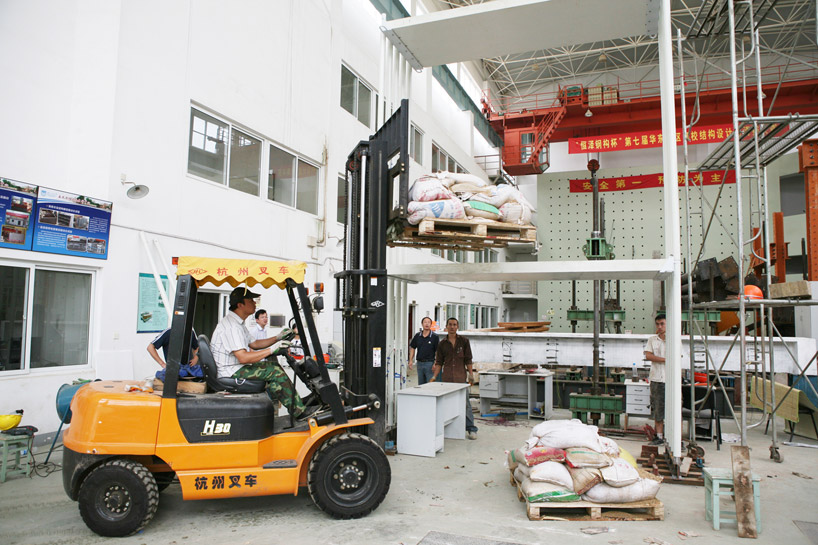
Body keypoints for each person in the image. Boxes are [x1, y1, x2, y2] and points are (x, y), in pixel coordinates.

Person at [211, 286, 313, 419]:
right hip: (230, 370)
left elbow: (255, 344)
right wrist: (272, 349)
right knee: (274, 371)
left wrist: (278, 337)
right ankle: (299, 412)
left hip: (234, 367)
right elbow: (243, 357)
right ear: (240, 305)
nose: (254, 303)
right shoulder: (232, 327)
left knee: (274, 368)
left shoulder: (238, 324)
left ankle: (295, 403)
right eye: (251, 300)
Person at [431, 317, 478, 440]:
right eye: (450, 325)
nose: (452, 327)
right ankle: (447, 428)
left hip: (460, 378)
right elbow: (439, 362)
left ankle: (471, 429)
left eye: (454, 325)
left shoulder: (464, 342)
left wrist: (471, 375)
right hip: (447, 379)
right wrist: (434, 376)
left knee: (466, 404)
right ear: (446, 327)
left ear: (457, 327)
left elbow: (468, 359)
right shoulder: (442, 344)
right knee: (447, 404)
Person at [644, 313, 667, 445]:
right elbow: (648, 356)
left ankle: (676, 438)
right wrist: (665, 359)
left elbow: (677, 356)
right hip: (657, 379)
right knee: (658, 408)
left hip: (671, 380)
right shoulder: (652, 340)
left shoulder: (674, 339)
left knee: (675, 409)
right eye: (657, 324)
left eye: (662, 324)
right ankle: (659, 436)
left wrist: (658, 358)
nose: (659, 326)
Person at [409, 316, 439, 385]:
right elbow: (413, 347)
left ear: (431, 324)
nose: (427, 324)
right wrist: (411, 360)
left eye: (428, 322)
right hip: (419, 363)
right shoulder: (417, 336)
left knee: (430, 384)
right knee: (421, 384)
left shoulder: (434, 337)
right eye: (425, 322)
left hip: (430, 364)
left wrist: (436, 363)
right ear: (422, 324)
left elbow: (437, 351)